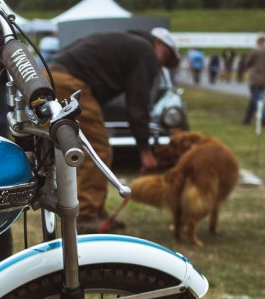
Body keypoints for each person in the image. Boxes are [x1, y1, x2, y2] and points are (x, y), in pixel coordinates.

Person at [46, 27, 181, 232]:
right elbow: (138, 103)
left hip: (51, 75)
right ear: (160, 45)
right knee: (97, 150)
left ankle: (93, 211)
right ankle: (87, 215)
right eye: (166, 58)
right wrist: (145, 151)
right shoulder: (145, 52)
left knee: (85, 148)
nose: (161, 65)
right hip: (70, 82)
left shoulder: (126, 42)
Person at [239, 35, 265, 126]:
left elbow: (248, 63)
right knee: (254, 98)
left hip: (255, 78)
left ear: (258, 41)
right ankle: (247, 119)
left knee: (257, 99)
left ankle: (264, 119)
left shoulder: (254, 51)